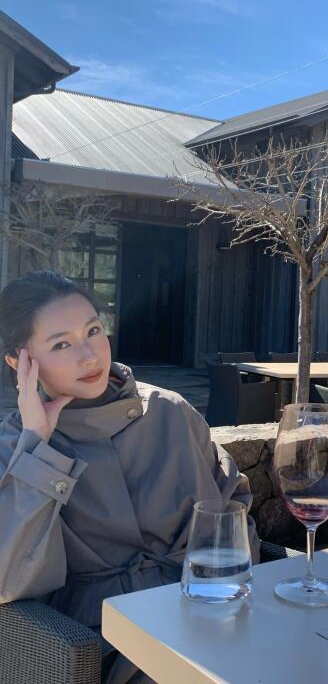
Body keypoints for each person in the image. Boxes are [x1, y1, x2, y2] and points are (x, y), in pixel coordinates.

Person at [0, 270, 259, 684]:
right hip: (101, 645)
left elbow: (233, 507)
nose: (90, 356)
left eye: (93, 331)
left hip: (212, 612)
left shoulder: (170, 411)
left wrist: (226, 587)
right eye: (62, 344)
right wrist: (37, 447)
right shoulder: (14, 446)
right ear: (19, 362)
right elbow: (8, 581)